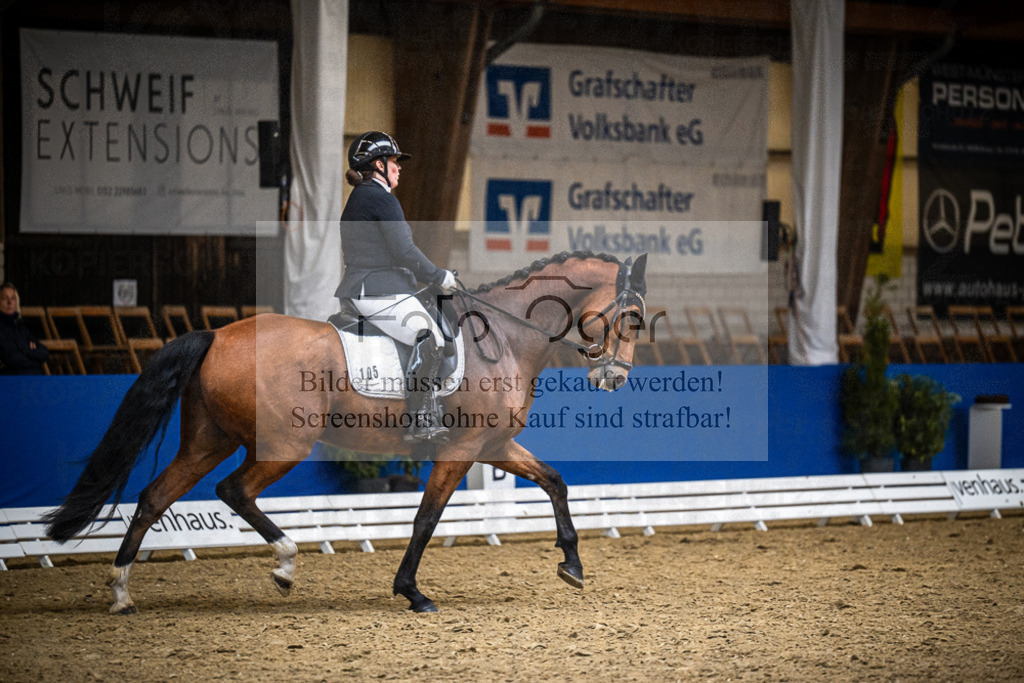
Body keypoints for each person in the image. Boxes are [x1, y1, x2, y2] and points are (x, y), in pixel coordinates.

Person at [334, 131, 457, 443]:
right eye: (393, 162)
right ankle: (420, 419)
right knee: (430, 337)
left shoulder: (363, 197)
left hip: (371, 286)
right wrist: (438, 275)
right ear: (378, 165)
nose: (399, 167)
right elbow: (404, 251)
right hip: (377, 289)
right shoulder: (381, 199)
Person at [0, 282, 49, 375]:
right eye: (5, 298)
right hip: (10, 380)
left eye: (13, 298)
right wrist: (32, 353)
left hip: (32, 377)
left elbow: (44, 352)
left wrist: (24, 350)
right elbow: (11, 359)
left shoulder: (20, 328)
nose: (9, 302)